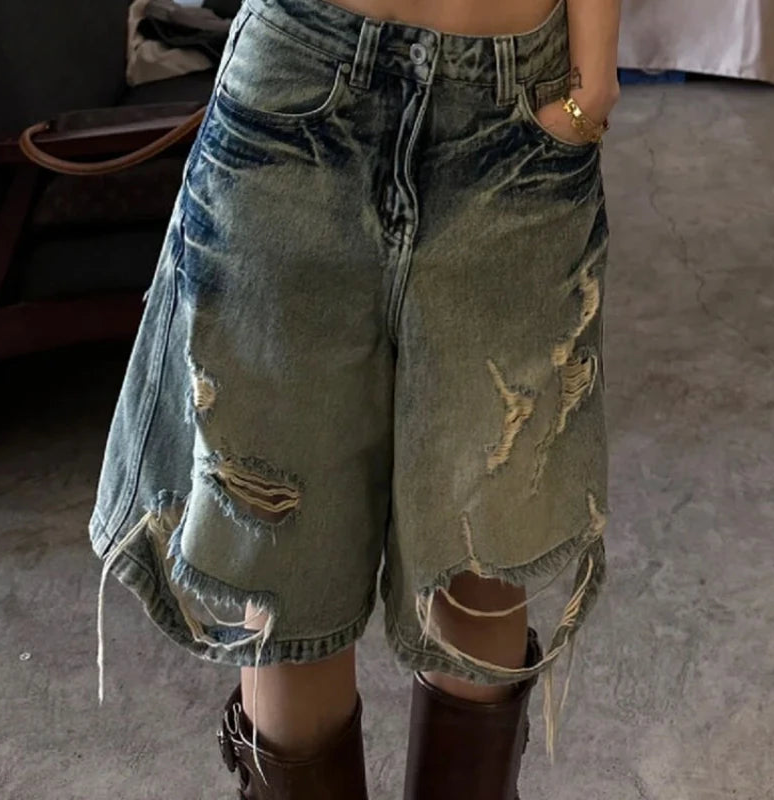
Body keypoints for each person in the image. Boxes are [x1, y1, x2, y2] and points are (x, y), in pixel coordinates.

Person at [91, 0, 620, 796]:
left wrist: (593, 81)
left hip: (519, 108)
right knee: (282, 563)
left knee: (481, 548)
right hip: (297, 86)